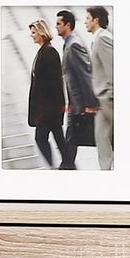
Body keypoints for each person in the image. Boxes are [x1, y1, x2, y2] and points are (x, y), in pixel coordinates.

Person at [55, 9, 97, 169]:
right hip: (75, 105)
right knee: (71, 141)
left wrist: (89, 105)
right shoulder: (68, 44)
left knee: (72, 141)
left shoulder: (74, 45)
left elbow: (85, 76)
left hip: (79, 105)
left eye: (59, 23)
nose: (56, 26)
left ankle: (66, 168)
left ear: (68, 25)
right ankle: (67, 167)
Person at [25, 19, 66, 168]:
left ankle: (54, 167)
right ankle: (68, 165)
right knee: (59, 139)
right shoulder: (43, 51)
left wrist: (53, 108)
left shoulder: (49, 52)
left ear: (42, 33)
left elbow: (55, 84)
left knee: (41, 138)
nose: (31, 35)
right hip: (47, 108)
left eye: (33, 32)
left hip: (48, 109)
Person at [86, 5, 114, 172]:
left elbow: (111, 68)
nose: (85, 22)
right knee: (101, 138)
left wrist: (111, 95)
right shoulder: (98, 38)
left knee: (116, 137)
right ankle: (106, 172)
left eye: (87, 18)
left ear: (96, 20)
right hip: (102, 99)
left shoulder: (103, 38)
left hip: (108, 99)